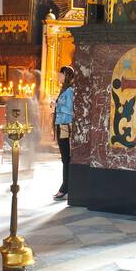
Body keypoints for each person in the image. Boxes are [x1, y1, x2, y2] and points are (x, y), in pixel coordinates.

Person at [53, 66, 75, 201]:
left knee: (66, 158)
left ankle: (65, 187)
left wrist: (56, 106)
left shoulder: (70, 90)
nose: (58, 77)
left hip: (65, 126)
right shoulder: (64, 90)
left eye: (60, 75)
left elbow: (70, 110)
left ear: (66, 75)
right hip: (61, 125)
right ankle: (66, 186)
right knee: (64, 158)